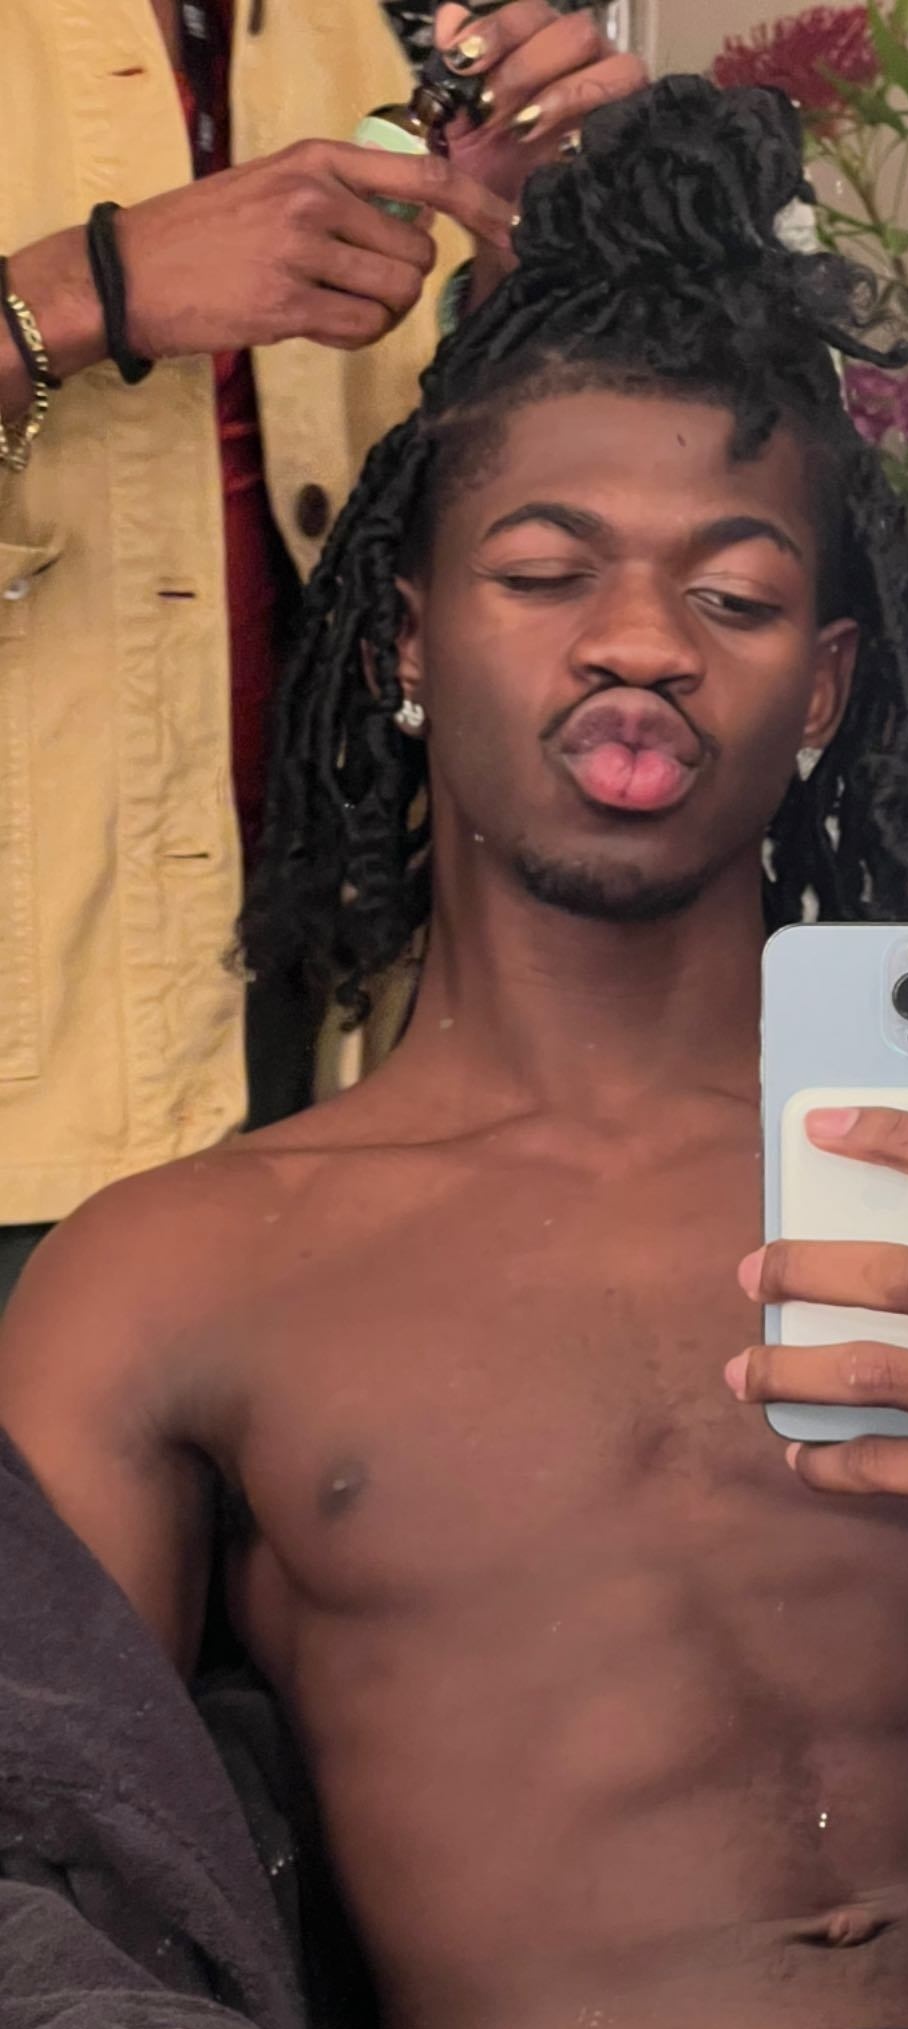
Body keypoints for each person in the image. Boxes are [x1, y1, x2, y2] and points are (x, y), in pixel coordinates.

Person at [2, 77, 908, 2029]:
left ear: (828, 685)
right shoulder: (163, 1283)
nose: (637, 647)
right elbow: (27, 1910)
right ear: (408, 635)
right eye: (543, 572)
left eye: (737, 598)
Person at [0, 0, 643, 1305]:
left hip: (307, 1035)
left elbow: (428, 522)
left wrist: (517, 270)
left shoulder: (331, 36)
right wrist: (77, 295)